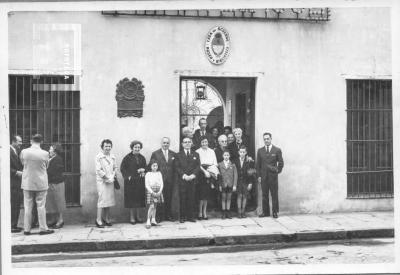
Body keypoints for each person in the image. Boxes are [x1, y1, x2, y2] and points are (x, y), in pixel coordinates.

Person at [20, 134, 53, 235]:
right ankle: (43, 228)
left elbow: (23, 163)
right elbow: (47, 166)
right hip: (41, 182)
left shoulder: (24, 152)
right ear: (41, 142)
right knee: (41, 206)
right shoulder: (45, 153)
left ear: (31, 141)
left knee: (28, 206)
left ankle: (27, 229)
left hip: (27, 182)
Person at [256, 132, 284, 218]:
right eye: (264, 139)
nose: (266, 140)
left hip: (273, 177)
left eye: (268, 139)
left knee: (274, 194)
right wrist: (259, 176)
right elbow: (258, 165)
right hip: (263, 177)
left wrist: (277, 171)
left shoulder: (277, 150)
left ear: (271, 139)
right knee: (264, 195)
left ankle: (275, 212)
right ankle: (265, 212)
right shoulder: (260, 151)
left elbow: (281, 163)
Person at [149, 137, 176, 222]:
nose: (165, 144)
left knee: (168, 198)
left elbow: (175, 167)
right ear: (161, 143)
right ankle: (158, 217)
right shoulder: (155, 154)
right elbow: (152, 166)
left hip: (170, 180)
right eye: (164, 143)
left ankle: (168, 215)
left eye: (167, 143)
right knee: (158, 199)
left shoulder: (173, 154)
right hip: (159, 181)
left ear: (169, 144)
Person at [175, 137, 200, 223]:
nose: (187, 144)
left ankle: (191, 217)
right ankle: (182, 217)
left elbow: (198, 166)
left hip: (192, 180)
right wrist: (184, 175)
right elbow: (177, 167)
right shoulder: (178, 155)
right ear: (182, 144)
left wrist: (193, 175)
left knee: (192, 198)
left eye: (189, 142)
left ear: (191, 143)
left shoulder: (196, 154)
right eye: (185, 142)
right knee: (183, 198)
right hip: (183, 180)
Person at [121, 140, 147, 224]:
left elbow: (146, 167)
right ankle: (132, 217)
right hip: (131, 182)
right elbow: (122, 168)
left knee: (139, 199)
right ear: (132, 148)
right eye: (135, 147)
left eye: (139, 147)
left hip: (140, 181)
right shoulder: (127, 157)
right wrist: (127, 176)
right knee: (131, 199)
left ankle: (138, 217)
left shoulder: (142, 157)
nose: (137, 149)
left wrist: (144, 170)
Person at [95, 139, 117, 228]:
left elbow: (115, 167)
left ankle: (106, 219)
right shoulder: (99, 157)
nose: (107, 148)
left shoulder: (112, 157)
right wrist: (106, 178)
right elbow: (98, 170)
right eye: (106, 146)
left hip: (111, 181)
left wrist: (113, 176)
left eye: (109, 146)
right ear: (102, 147)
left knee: (109, 200)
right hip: (102, 182)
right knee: (102, 200)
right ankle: (98, 220)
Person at [195, 136, 218, 220]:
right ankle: (200, 212)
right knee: (201, 194)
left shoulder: (212, 151)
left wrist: (210, 171)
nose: (204, 144)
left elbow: (215, 163)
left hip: (210, 172)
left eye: (206, 142)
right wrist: (205, 172)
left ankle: (205, 212)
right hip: (201, 173)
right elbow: (197, 164)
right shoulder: (197, 152)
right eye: (203, 142)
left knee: (207, 195)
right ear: (200, 143)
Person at [45, 143, 66, 229]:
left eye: (50, 149)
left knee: (59, 202)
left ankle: (60, 220)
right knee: (53, 203)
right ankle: (54, 220)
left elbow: (54, 172)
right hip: (52, 183)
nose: (49, 151)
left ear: (55, 151)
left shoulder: (57, 159)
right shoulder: (52, 158)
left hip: (57, 184)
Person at [234, 146, 255, 218]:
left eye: (243, 152)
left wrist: (250, 183)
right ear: (238, 152)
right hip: (238, 181)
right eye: (241, 152)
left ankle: (243, 211)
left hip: (246, 181)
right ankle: (239, 211)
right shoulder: (235, 161)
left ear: (246, 153)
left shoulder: (248, 161)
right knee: (239, 196)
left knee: (245, 196)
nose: (242, 153)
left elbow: (251, 173)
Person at [217, 150, 237, 219]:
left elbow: (235, 175)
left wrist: (234, 185)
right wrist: (219, 185)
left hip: (230, 184)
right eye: (225, 155)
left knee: (229, 198)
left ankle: (228, 212)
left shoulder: (233, 164)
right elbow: (218, 176)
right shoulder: (219, 164)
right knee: (223, 198)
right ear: (223, 156)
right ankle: (223, 212)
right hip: (223, 184)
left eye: (227, 155)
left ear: (229, 156)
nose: (226, 156)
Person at [145, 160, 164, 229]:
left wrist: (160, 191)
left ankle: (153, 220)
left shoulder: (159, 173)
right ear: (150, 166)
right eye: (153, 166)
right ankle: (148, 220)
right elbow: (147, 185)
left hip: (158, 190)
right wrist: (152, 192)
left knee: (155, 206)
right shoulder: (148, 174)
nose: (155, 167)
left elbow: (162, 183)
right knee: (151, 206)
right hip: (151, 191)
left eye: (156, 166)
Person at [10, 135, 23, 233]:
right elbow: (4, 166)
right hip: (12, 183)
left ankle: (14, 225)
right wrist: (16, 172)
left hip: (17, 183)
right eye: (19, 141)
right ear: (13, 141)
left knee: (16, 203)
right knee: (14, 204)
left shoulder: (16, 151)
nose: (21, 143)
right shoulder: (7, 151)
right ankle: (11, 226)